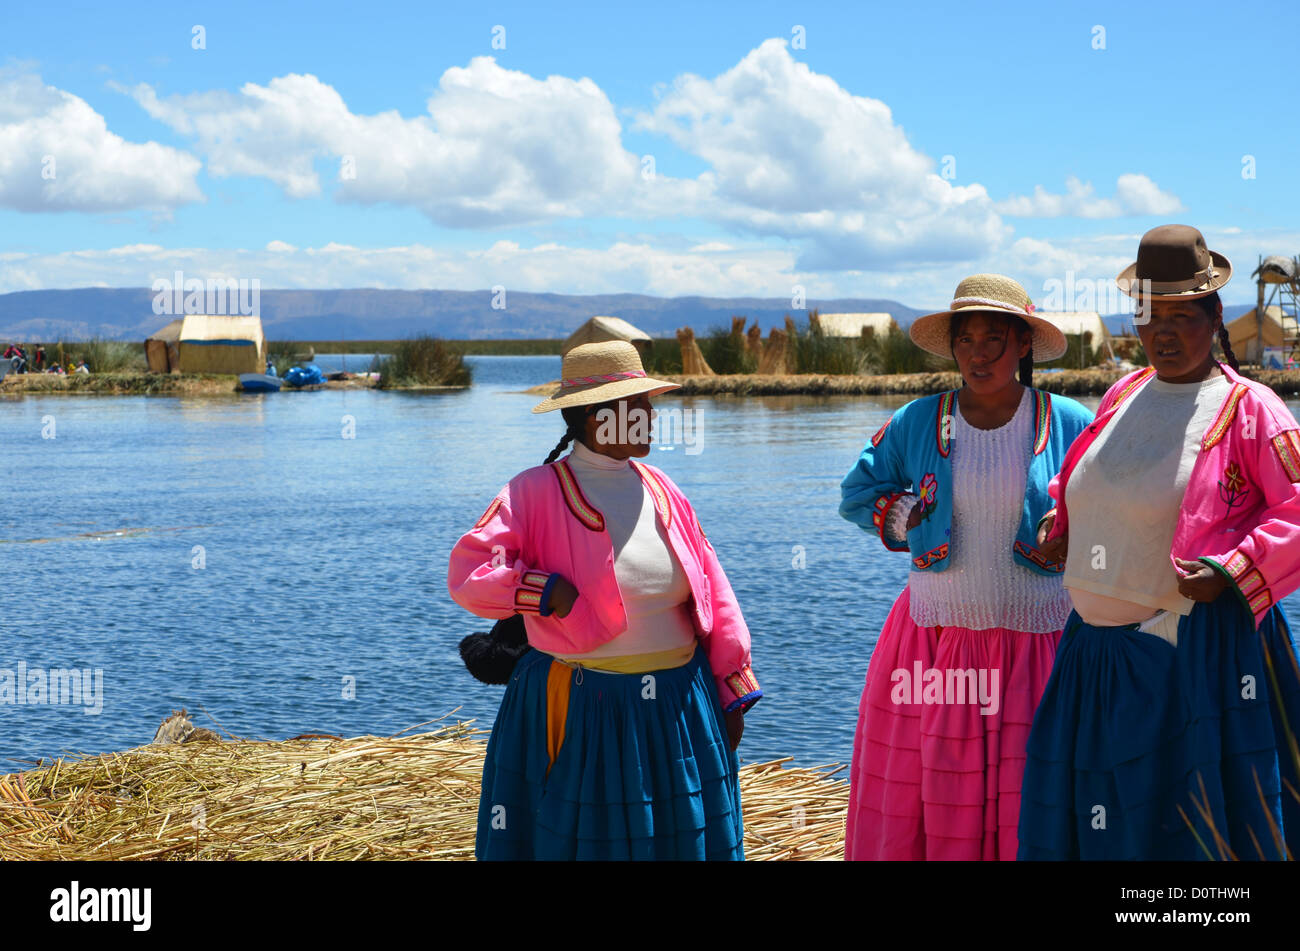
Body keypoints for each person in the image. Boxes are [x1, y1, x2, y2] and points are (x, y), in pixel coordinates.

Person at [1018, 224, 1300, 860]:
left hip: (1186, 659)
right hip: (1091, 658)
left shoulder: (1250, 409)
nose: (1165, 334)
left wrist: (1233, 569)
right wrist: (1059, 527)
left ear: (1215, 315)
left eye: (1183, 317)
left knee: (1180, 839)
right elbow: (1082, 482)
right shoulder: (1124, 395)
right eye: (1151, 318)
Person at [447, 340, 761, 860]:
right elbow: (469, 574)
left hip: (680, 703)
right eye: (638, 405)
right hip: (582, 708)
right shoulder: (533, 493)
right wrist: (540, 591)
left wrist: (732, 688)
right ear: (598, 417)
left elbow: (714, 589)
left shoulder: (664, 490)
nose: (652, 415)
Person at [839, 274, 1093, 860]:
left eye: (994, 339)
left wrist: (1075, 531)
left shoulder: (1071, 423)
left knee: (1032, 796)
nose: (978, 354)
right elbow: (858, 493)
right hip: (938, 638)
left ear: (1023, 345)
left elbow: (1109, 506)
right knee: (932, 797)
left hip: (1039, 642)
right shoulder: (918, 422)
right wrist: (915, 517)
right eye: (966, 340)